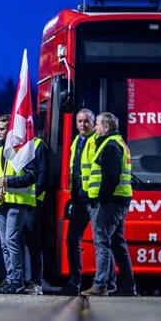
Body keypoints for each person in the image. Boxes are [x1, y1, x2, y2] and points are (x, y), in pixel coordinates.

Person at [82, 112, 136, 297]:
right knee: (117, 243)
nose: (95, 127)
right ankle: (127, 286)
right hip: (119, 199)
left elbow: (111, 176)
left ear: (106, 127)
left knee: (102, 241)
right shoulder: (117, 142)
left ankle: (100, 284)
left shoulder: (110, 145)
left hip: (110, 201)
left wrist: (102, 198)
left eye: (97, 124)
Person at [0, 115, 38, 295]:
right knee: (5, 244)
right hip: (1, 203)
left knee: (11, 240)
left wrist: (10, 182)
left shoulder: (23, 151)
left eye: (2, 129)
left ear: (10, 130)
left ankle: (17, 281)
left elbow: (32, 175)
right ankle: (11, 279)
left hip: (18, 202)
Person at [63, 109, 97, 295]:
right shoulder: (76, 141)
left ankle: (106, 284)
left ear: (93, 123)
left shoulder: (97, 140)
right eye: (79, 121)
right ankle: (74, 283)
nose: (82, 125)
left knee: (102, 242)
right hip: (78, 200)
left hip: (93, 200)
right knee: (72, 240)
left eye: (86, 121)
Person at [21, 134, 49, 295]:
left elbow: (43, 176)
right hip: (17, 201)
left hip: (33, 202)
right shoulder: (14, 143)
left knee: (32, 242)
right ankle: (18, 280)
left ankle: (36, 281)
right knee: (16, 242)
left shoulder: (39, 145)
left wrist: (32, 196)